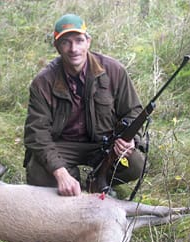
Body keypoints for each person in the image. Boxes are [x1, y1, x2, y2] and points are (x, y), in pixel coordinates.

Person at [23, 13, 146, 196]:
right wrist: (60, 172)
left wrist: (128, 140)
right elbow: (36, 133)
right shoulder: (43, 82)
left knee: (135, 164)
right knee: (37, 172)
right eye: (66, 42)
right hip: (62, 144)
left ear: (88, 42)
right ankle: (74, 183)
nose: (74, 49)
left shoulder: (113, 70)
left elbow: (134, 111)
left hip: (104, 143)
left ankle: (100, 181)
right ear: (57, 47)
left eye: (79, 40)